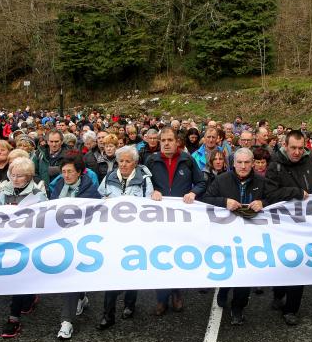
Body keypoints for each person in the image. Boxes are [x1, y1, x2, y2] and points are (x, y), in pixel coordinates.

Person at [201, 148, 276, 326]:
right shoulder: (221, 180)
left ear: (253, 164)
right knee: (229, 266)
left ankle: (238, 308)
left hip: (252, 236)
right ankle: (224, 290)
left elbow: (275, 200)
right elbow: (205, 199)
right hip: (226, 235)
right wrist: (223, 202)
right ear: (233, 163)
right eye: (239, 162)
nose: (243, 166)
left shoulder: (262, 181)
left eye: (247, 162)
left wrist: (263, 203)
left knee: (246, 272)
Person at [265, 130, 312, 326]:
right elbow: (271, 194)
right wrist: (296, 192)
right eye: (293, 148)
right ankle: (278, 293)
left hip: (306, 224)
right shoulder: (275, 164)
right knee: (283, 263)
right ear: (285, 145)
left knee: (299, 265)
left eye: (300, 148)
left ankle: (291, 309)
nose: (297, 152)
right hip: (282, 224)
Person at [146, 127, 206, 315]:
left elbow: (202, 182)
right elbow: (143, 184)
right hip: (158, 218)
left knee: (178, 255)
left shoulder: (187, 160)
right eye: (163, 140)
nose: (166, 143)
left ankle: (177, 293)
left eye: (169, 140)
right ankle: (161, 298)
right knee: (160, 256)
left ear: (177, 141)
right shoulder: (151, 160)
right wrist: (152, 191)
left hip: (181, 218)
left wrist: (193, 193)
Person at [96, 146, 154, 330]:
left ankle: (129, 304)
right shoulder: (109, 177)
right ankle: (108, 314)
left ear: (135, 163)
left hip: (134, 234)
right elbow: (101, 199)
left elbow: (149, 205)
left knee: (130, 270)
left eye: (128, 161)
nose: (124, 164)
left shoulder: (144, 181)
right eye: (121, 161)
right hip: (113, 234)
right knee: (111, 273)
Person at [50, 154, 100, 339]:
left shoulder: (90, 190)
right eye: (63, 172)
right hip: (61, 237)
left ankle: (66, 321)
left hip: (82, 240)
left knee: (71, 276)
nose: (66, 175)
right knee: (72, 274)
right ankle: (81, 297)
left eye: (70, 171)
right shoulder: (58, 187)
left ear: (79, 172)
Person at [0, 157, 48, 338]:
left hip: (29, 240)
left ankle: (13, 318)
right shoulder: (4, 191)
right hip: (9, 239)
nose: (15, 178)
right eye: (13, 175)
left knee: (22, 274)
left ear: (28, 177)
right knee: (15, 276)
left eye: (20, 176)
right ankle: (25, 301)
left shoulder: (38, 194)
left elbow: (44, 219)